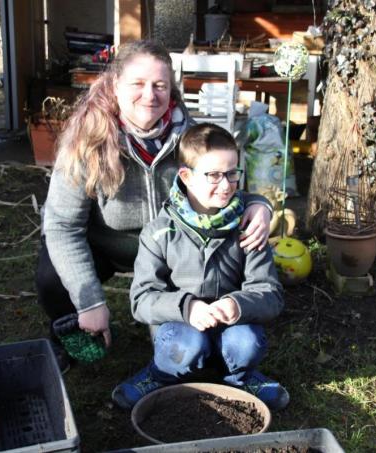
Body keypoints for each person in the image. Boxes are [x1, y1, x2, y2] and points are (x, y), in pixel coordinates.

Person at [36, 40, 273, 372]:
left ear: (172, 91)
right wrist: (89, 300)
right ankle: (75, 334)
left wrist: (259, 204)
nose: (150, 95)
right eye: (138, 84)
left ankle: (191, 332)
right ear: (115, 85)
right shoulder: (85, 143)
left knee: (179, 355)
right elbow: (62, 226)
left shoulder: (192, 138)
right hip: (106, 248)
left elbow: (225, 183)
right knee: (52, 275)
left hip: (173, 253)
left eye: (160, 85)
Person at [111, 123, 289, 411]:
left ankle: (240, 376)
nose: (227, 184)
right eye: (214, 175)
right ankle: (161, 374)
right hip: (181, 327)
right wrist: (187, 308)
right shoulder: (159, 232)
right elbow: (141, 300)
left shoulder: (249, 227)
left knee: (246, 343)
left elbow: (270, 293)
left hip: (232, 326)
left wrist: (237, 304)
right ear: (186, 176)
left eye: (232, 173)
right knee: (184, 345)